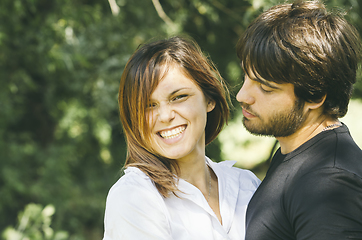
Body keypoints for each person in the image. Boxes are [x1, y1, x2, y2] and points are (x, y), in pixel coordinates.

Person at [102, 36, 260, 240]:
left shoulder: (246, 184)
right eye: (149, 105)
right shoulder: (134, 197)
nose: (166, 116)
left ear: (209, 99)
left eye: (178, 97)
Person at [235, 0, 362, 239]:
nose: (242, 95)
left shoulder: (328, 183)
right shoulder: (295, 151)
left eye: (265, 87)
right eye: (246, 76)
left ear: (314, 96)